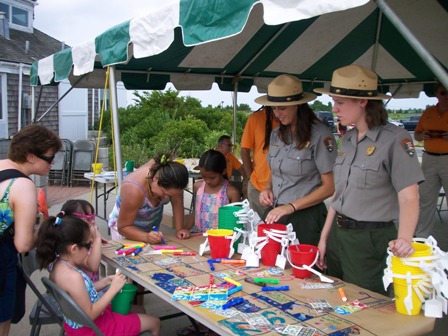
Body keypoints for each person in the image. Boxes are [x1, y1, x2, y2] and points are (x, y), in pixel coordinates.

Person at [314, 64, 424, 295]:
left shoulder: (395, 139)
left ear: (363, 102)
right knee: (334, 296)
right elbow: (338, 196)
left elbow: (409, 197)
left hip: (370, 240)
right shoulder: (349, 139)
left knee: (365, 303)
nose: (335, 109)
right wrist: (324, 239)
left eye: (340, 103)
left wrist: (404, 239)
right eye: (334, 102)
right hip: (338, 235)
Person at [35, 213, 160, 336]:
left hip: (78, 325)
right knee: (155, 322)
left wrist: (105, 282)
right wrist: (113, 289)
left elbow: (79, 295)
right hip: (94, 328)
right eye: (89, 245)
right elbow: (90, 313)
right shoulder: (73, 277)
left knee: (140, 310)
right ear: (73, 249)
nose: (90, 250)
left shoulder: (57, 266)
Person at [257, 74, 337, 247]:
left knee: (301, 271)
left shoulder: (320, 135)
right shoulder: (277, 134)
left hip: (306, 217)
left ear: (298, 105)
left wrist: (291, 206)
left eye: (282, 108)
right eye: (274, 108)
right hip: (277, 212)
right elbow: (276, 169)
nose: (277, 113)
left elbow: (330, 187)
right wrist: (267, 188)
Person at [0, 124, 62, 335]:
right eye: (49, 157)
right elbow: (23, 243)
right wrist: (45, 229)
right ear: (30, 156)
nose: (52, 162)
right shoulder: (22, 185)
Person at [108, 152, 190, 242]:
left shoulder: (173, 180)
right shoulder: (133, 189)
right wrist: (146, 237)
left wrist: (179, 229)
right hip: (125, 230)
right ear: (155, 179)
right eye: (164, 193)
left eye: (170, 195)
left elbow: (177, 201)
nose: (166, 197)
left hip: (150, 230)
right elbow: (123, 227)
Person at [414, 82, 448, 238]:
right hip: (429, 158)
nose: (446, 95)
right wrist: (423, 136)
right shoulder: (428, 112)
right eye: (443, 92)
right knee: (426, 201)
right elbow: (416, 135)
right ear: (436, 93)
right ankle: (421, 238)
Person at [185, 150, 240, 233]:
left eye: (212, 178)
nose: (207, 181)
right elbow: (195, 212)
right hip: (197, 237)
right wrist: (185, 229)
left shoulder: (231, 192)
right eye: (203, 176)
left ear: (223, 171)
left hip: (219, 239)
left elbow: (234, 221)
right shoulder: (198, 187)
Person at [241, 107, 279, 218]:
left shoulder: (293, 120)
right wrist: (250, 177)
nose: (278, 112)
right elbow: (244, 151)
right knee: (258, 228)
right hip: (258, 186)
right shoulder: (255, 118)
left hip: (285, 189)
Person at [61, 200, 108, 285]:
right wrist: (96, 240)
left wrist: (92, 239)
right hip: (86, 293)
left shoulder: (81, 239)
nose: (93, 221)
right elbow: (92, 266)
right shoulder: (74, 247)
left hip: (91, 288)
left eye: (93, 217)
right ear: (74, 221)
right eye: (88, 218)